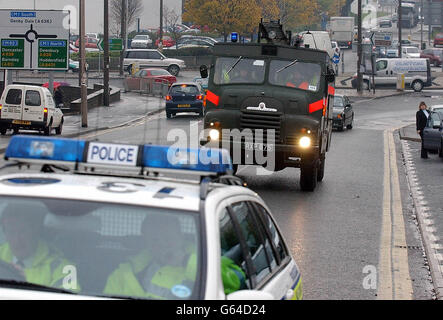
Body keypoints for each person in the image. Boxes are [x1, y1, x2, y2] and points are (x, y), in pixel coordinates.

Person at [103, 214, 197, 299]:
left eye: (168, 238)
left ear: (181, 237)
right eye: (155, 240)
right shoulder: (126, 271)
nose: (163, 244)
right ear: (146, 243)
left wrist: (185, 260)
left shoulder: (203, 262)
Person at [0, 203, 79, 291]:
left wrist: (23, 285)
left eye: (22, 231)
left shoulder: (62, 267)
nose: (16, 240)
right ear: (5, 234)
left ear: (35, 230)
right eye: (11, 232)